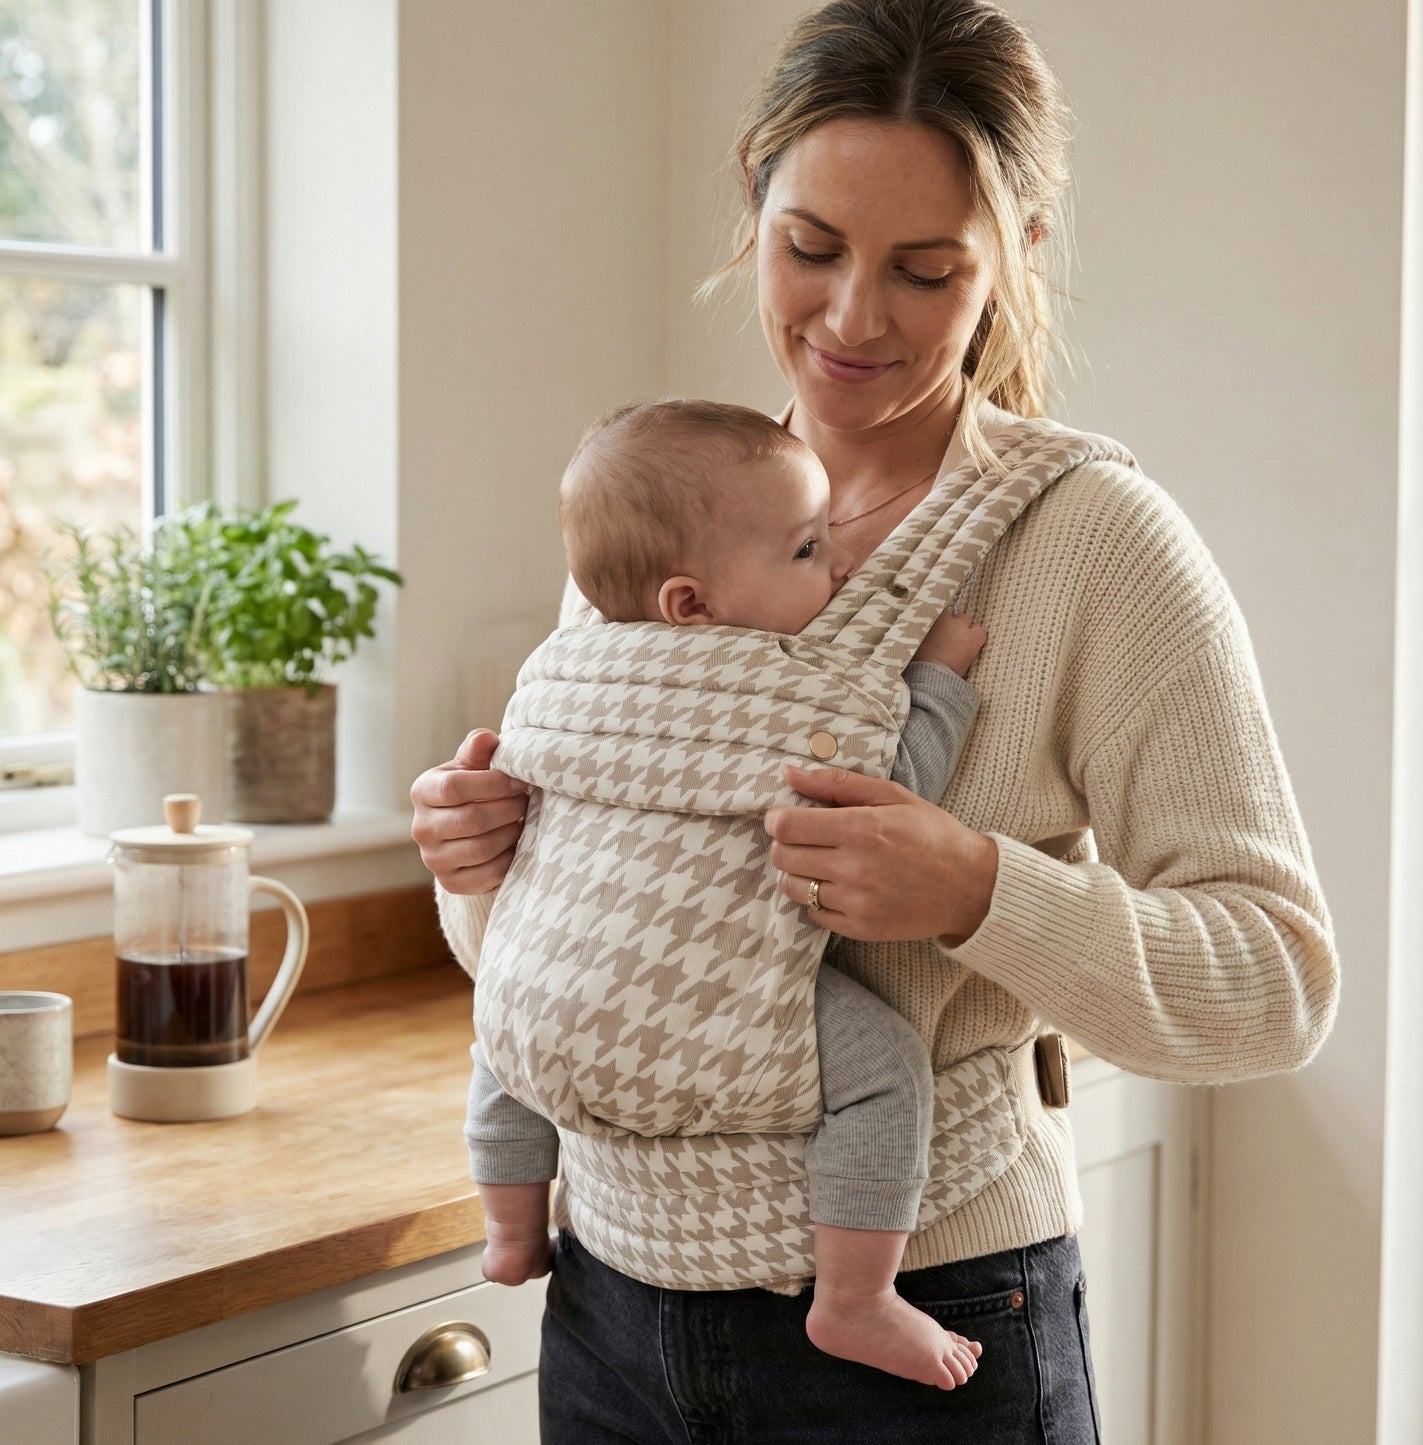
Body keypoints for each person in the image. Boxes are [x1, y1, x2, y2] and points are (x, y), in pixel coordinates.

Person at [411, 1, 1340, 1438]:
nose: (852, 318)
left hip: (936, 1317)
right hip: (606, 1306)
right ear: (754, 209)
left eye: (923, 269)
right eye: (812, 249)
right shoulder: (667, 514)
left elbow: (1277, 981)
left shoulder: (1095, 541)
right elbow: (569, 940)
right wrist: (481, 870)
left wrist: (979, 889)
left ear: (1016, 258)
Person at [468, 397, 990, 1390]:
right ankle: (855, 1296)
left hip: (554, 972)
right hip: (709, 1001)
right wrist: (936, 684)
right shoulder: (787, 693)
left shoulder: (558, 673)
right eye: (804, 550)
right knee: (882, 1066)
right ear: (688, 604)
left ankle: (506, 1226)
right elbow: (887, 798)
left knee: (509, 1028)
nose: (836, 568)